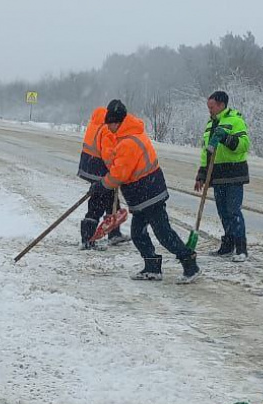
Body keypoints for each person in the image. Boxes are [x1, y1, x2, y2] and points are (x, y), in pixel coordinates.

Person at [99, 99, 200, 283]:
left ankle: (189, 262)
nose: (109, 128)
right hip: (142, 195)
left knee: (164, 234)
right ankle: (152, 267)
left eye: (110, 124)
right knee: (138, 234)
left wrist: (101, 185)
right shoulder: (128, 136)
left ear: (117, 122)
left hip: (149, 194)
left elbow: (119, 174)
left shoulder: (129, 142)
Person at [193, 91, 251, 261]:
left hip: (234, 174)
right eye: (208, 107)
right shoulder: (210, 125)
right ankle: (228, 245)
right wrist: (201, 175)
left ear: (221, 105)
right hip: (217, 175)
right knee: (223, 212)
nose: (209, 110)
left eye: (211, 107)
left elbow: (244, 145)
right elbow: (206, 153)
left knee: (233, 211)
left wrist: (225, 138)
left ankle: (241, 248)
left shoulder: (235, 120)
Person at [75, 105, 128, 249]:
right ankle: (88, 239)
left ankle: (114, 233)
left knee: (111, 200)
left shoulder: (94, 123)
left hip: (89, 166)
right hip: (100, 170)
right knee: (97, 204)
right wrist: (115, 170)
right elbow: (107, 154)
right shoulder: (106, 129)